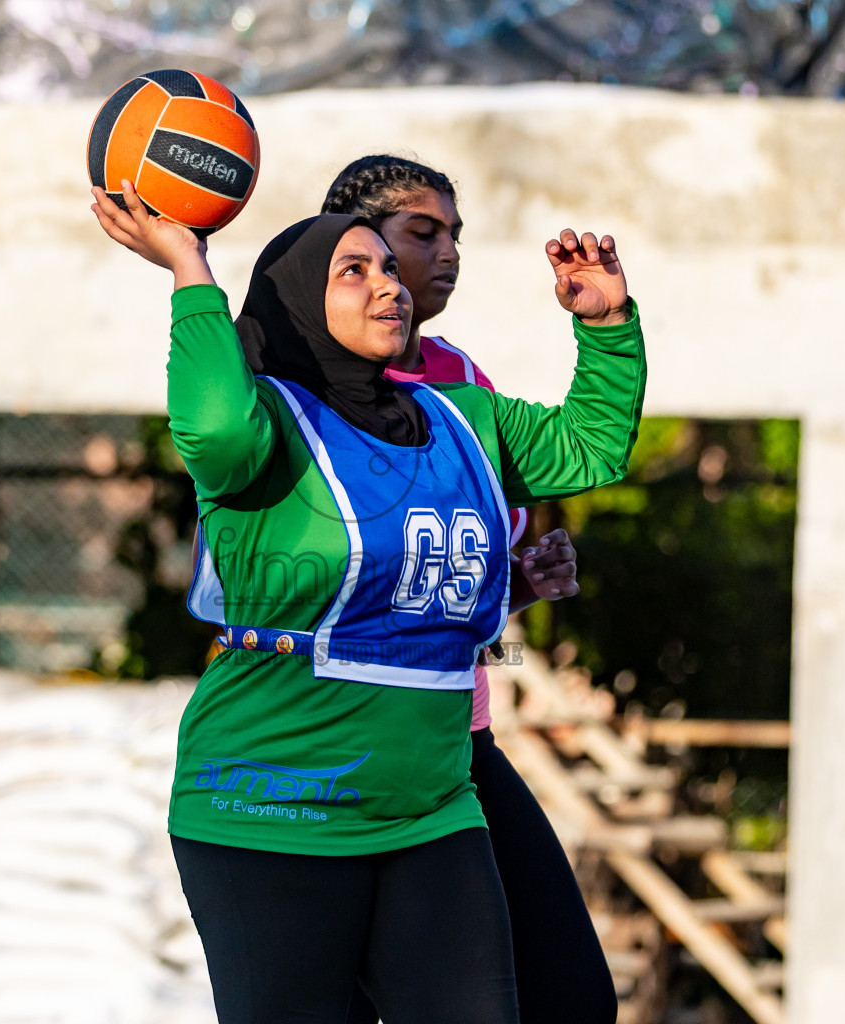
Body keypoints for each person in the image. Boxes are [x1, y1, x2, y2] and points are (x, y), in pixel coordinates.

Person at [90, 177, 645, 1024]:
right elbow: (211, 427)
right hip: (273, 806)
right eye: (355, 270)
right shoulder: (267, 427)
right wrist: (189, 272)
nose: (389, 283)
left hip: (430, 808)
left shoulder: (461, 414)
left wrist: (604, 325)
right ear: (299, 300)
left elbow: (590, 449)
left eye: (390, 266)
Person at [323, 155, 619, 1023]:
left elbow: (588, 453)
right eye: (425, 233)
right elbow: (314, 573)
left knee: (568, 998)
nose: (448, 253)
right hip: (333, 749)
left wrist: (511, 587)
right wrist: (188, 264)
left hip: (455, 738)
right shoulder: (296, 390)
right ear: (357, 248)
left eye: (456, 235)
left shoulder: (460, 382)